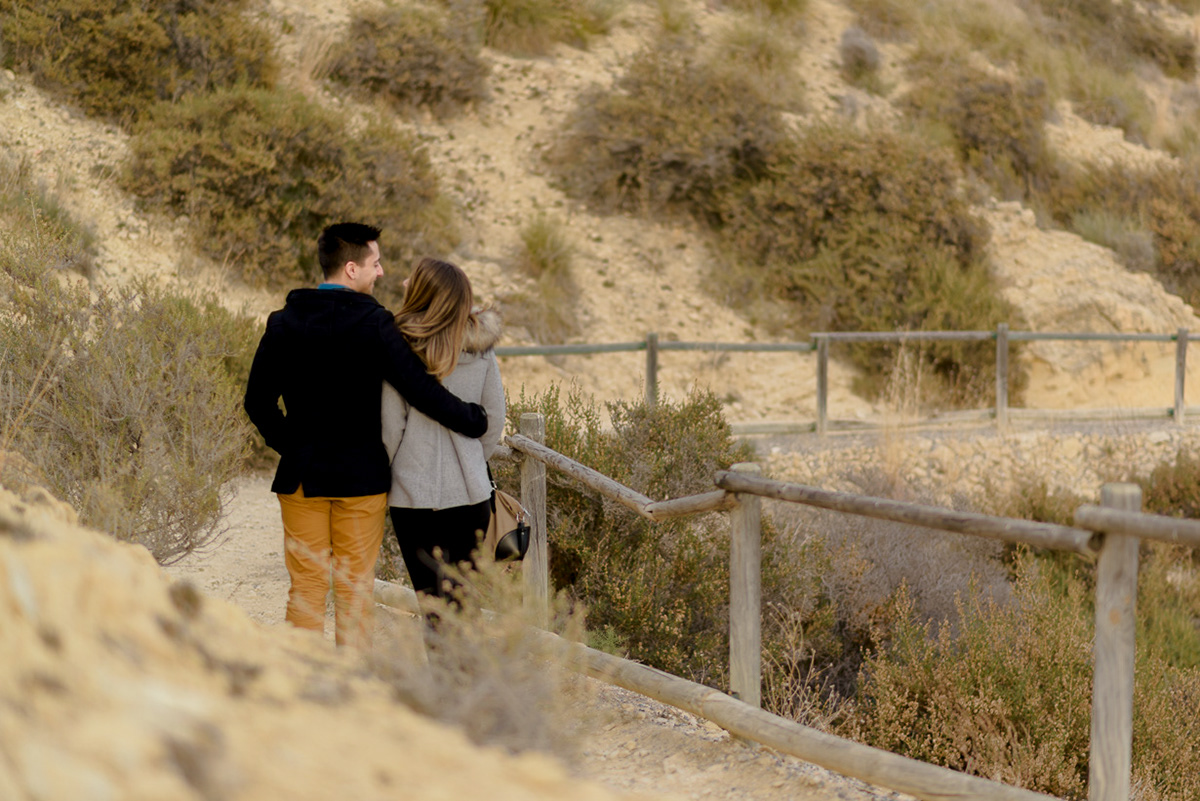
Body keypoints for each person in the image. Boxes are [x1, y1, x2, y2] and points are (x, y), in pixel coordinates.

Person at [243, 223, 488, 649]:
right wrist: (472, 419)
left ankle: (299, 691)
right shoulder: (377, 325)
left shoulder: (283, 322)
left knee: (306, 588)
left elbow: (257, 402)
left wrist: (295, 446)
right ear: (351, 268)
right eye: (375, 264)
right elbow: (421, 390)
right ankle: (350, 696)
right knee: (355, 591)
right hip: (363, 481)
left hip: (302, 479)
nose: (381, 272)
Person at [382, 257, 505, 605]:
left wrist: (388, 473)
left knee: (432, 602)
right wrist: (471, 460)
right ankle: (466, 662)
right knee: (464, 604)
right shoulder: (480, 344)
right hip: (471, 495)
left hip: (412, 495)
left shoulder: (401, 347)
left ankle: (440, 662)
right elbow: (495, 415)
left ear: (422, 292)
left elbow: (392, 427)